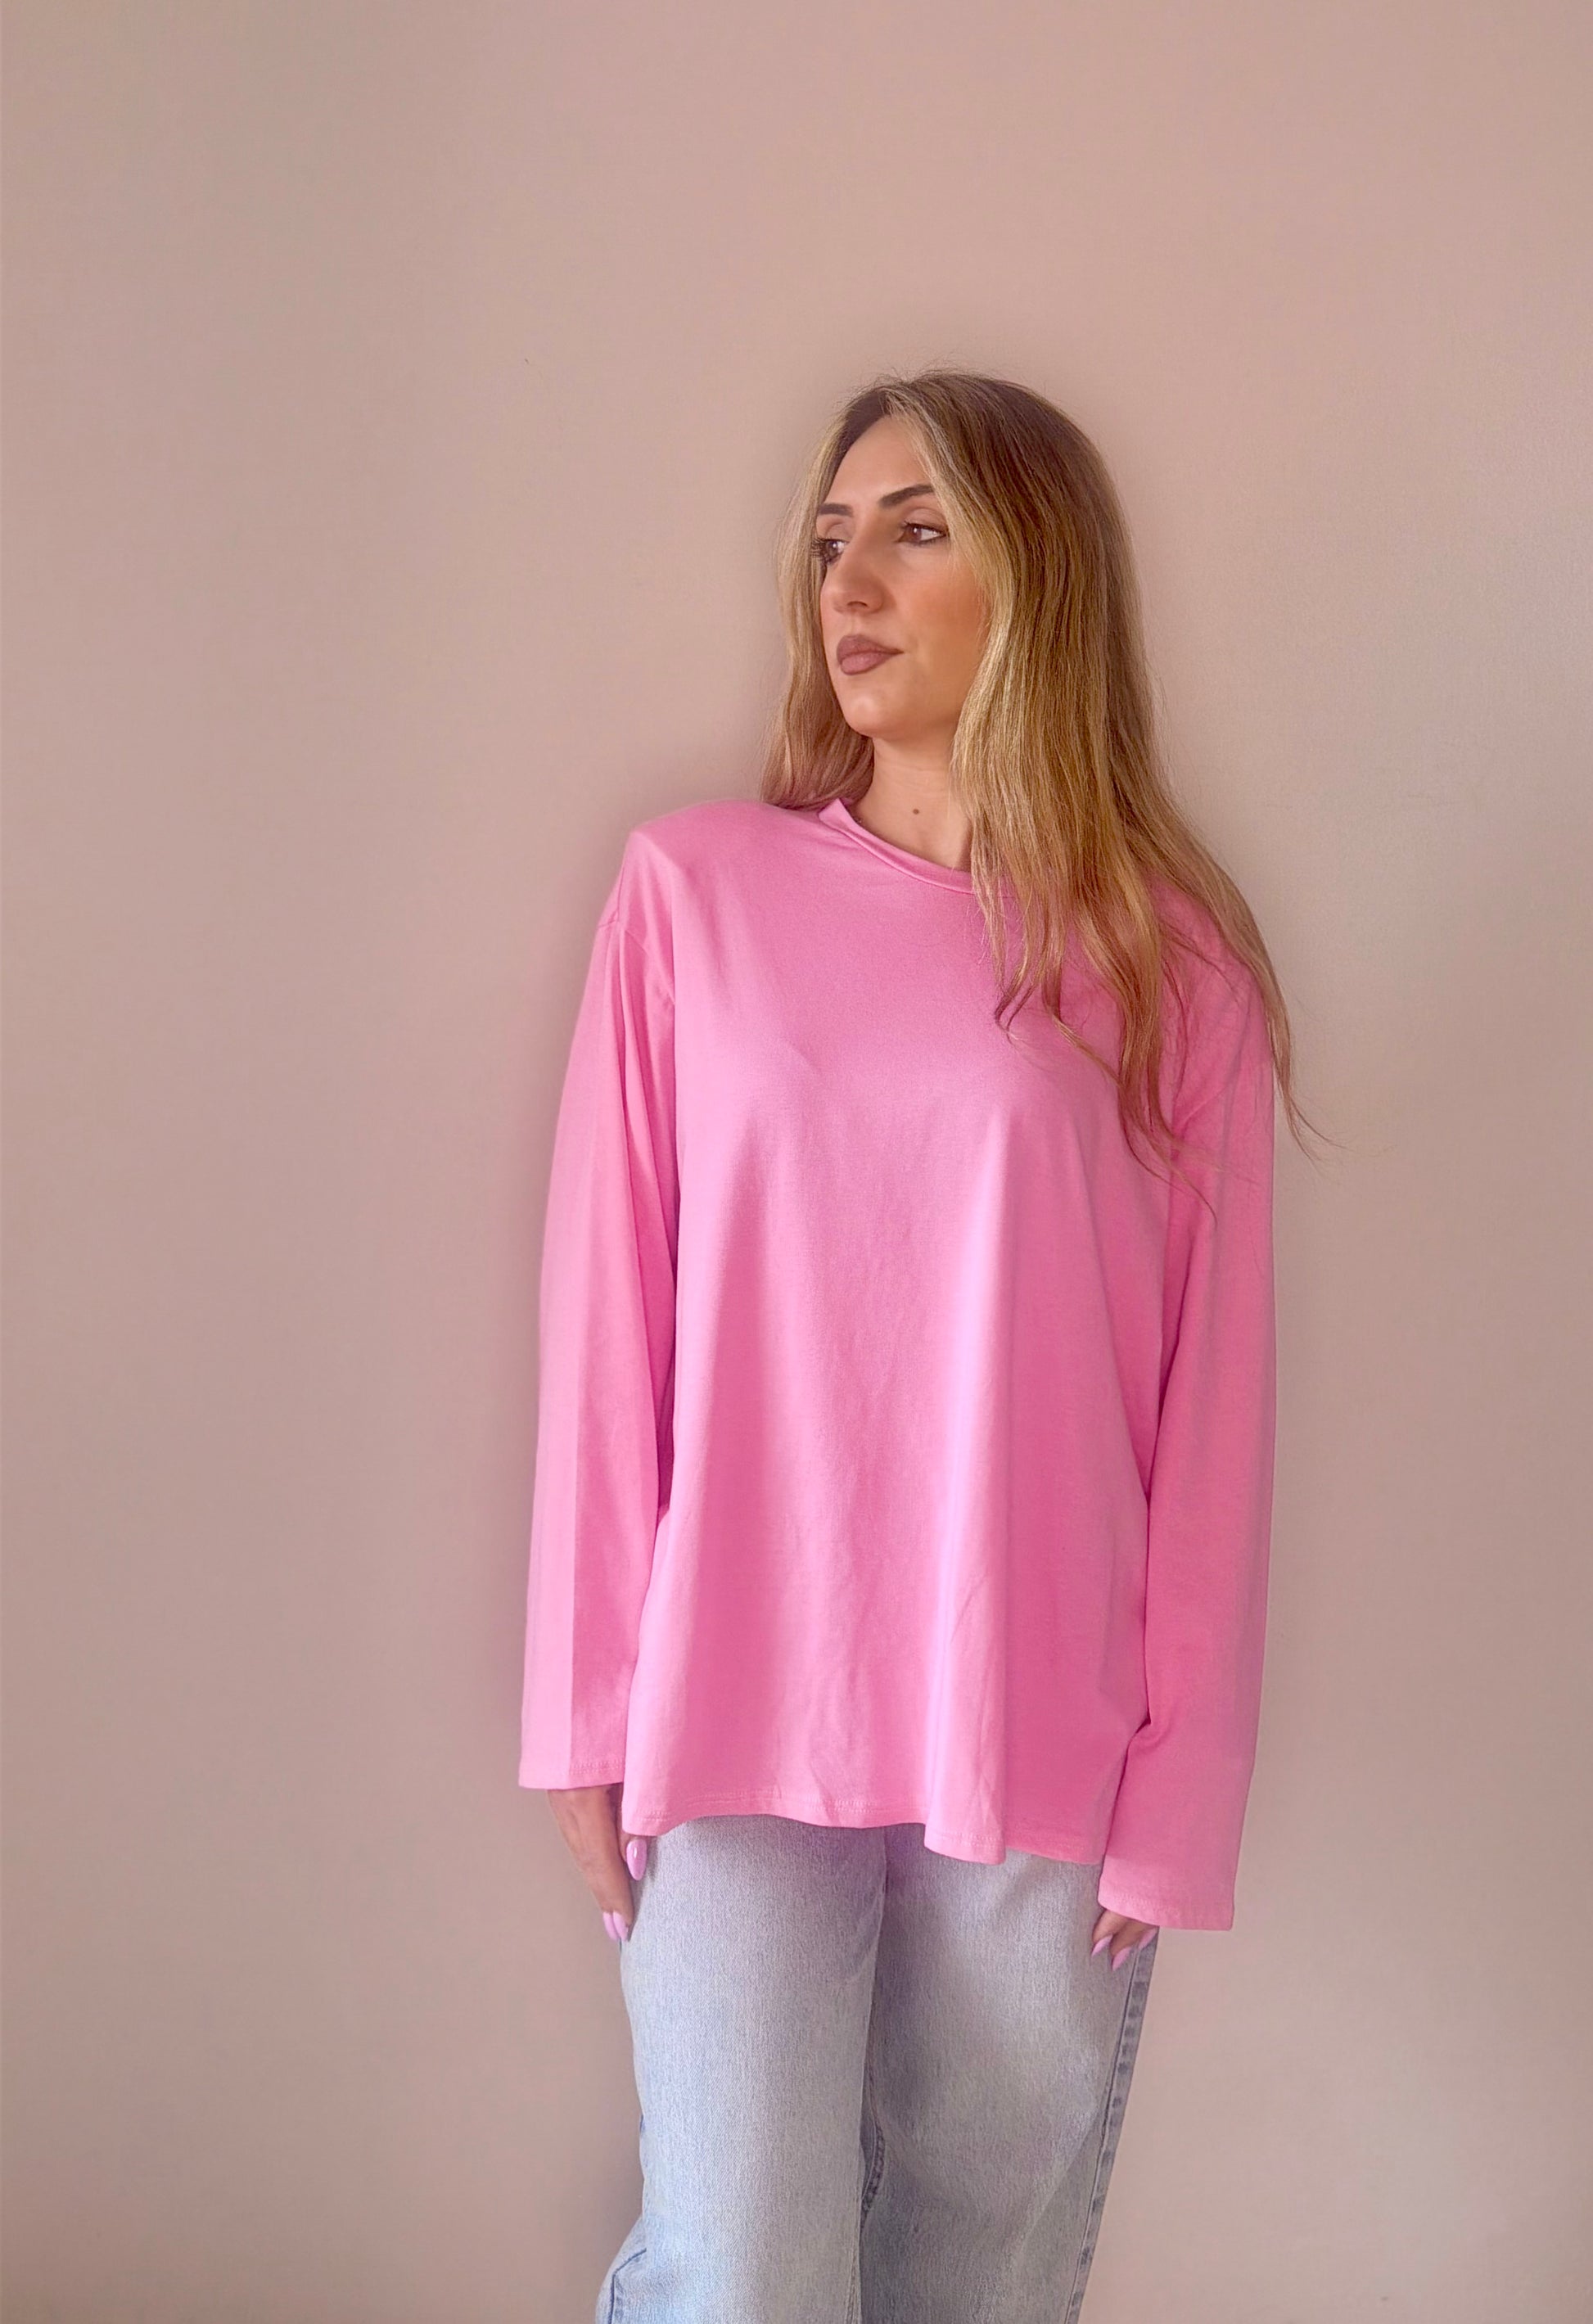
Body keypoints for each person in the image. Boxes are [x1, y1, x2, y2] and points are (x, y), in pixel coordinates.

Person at [518, 368, 1315, 2322]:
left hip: (1039, 1713)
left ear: (1038, 575)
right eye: (827, 541)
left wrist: (1182, 1784)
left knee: (978, 2279)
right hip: (730, 1699)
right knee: (738, 2269)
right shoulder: (693, 898)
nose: (848, 584)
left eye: (914, 529)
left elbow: (1209, 1415)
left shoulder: (1165, 958)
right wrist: (581, 1699)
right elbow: (607, 1322)